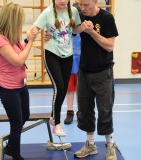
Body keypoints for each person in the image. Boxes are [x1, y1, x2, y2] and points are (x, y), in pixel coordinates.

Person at [72, 0, 119, 160]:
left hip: (103, 71)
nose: (83, 8)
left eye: (86, 5)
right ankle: (90, 144)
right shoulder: (80, 15)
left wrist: (92, 32)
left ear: (95, 1)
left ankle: (110, 144)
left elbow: (109, 46)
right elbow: (72, 31)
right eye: (81, 4)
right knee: (84, 110)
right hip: (84, 71)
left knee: (105, 109)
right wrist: (80, 28)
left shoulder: (107, 18)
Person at [0, 2, 38, 160]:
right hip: (7, 88)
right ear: (11, 20)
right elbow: (18, 61)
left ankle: (11, 145)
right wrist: (31, 41)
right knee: (17, 122)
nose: (20, 23)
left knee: (25, 115)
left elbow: (19, 50)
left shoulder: (12, 38)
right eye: (19, 20)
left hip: (20, 85)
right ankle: (15, 153)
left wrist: (26, 40)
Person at [32, 0, 81, 137]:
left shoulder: (74, 11)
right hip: (52, 54)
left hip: (68, 55)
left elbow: (75, 29)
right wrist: (33, 32)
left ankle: (53, 116)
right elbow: (36, 27)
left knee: (64, 88)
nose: (62, 1)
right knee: (59, 87)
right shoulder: (47, 13)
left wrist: (83, 28)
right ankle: (57, 123)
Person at [64, 2, 81, 125]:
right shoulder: (66, 31)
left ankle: (81, 112)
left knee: (81, 91)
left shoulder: (83, 31)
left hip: (82, 66)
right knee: (69, 90)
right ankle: (70, 112)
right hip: (69, 65)